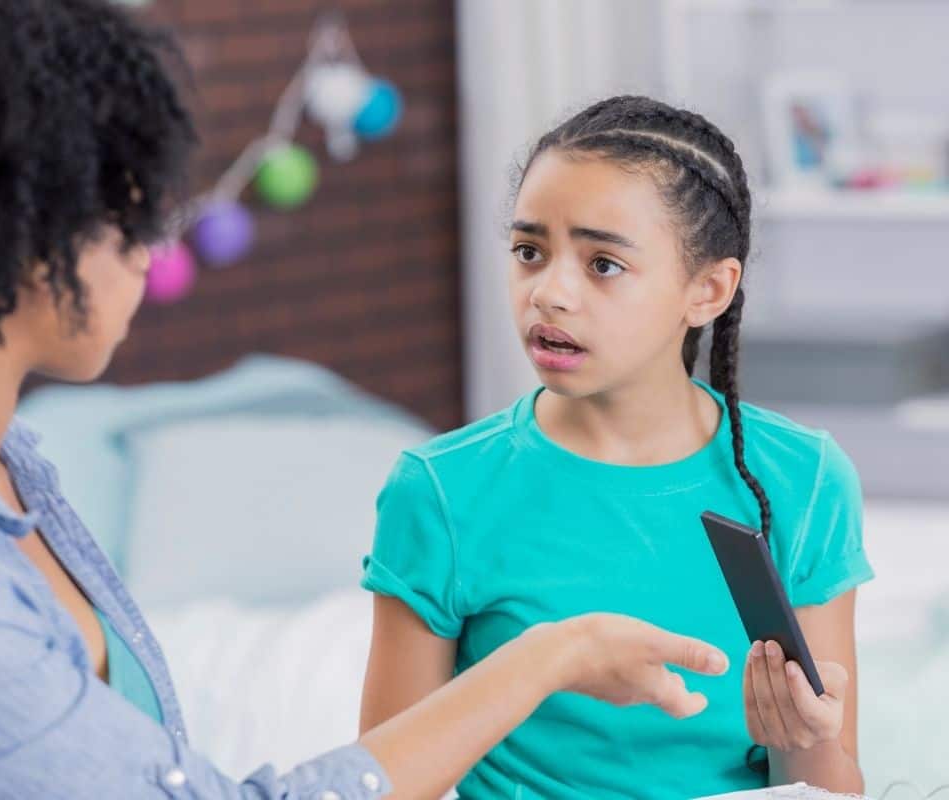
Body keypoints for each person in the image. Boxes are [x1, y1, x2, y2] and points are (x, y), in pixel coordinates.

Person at [0, 3, 732, 798]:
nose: (151, 249)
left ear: (710, 289)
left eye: (604, 263)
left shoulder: (17, 470)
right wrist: (546, 660)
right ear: (20, 226)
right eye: (124, 215)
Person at [360, 95, 874, 798]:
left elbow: (828, 789)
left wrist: (802, 737)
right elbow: (378, 785)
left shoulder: (803, 480)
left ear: (708, 290)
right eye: (529, 251)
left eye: (602, 264)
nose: (549, 293)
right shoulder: (441, 491)